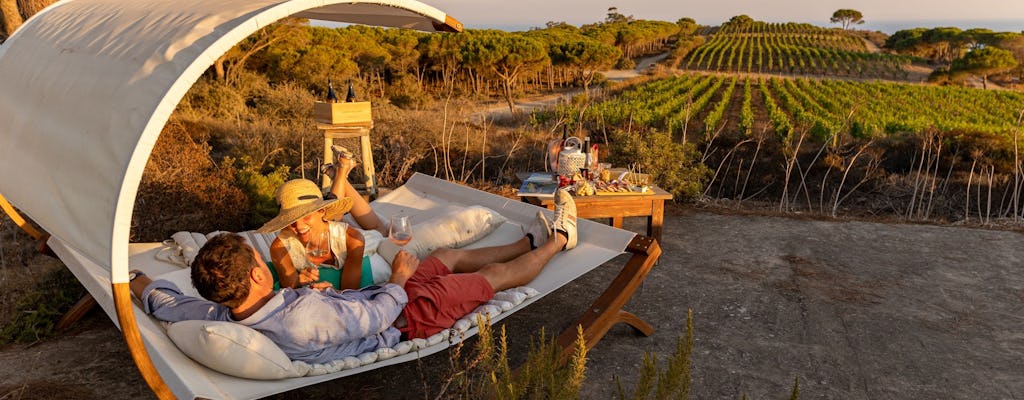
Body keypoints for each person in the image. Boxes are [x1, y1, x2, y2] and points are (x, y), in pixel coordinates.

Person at [129, 189, 579, 364]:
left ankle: (524, 243)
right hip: (407, 316)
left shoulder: (218, 309)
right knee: (493, 279)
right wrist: (400, 279)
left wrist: (134, 279)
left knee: (444, 253)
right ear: (258, 276)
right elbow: (376, 320)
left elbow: (163, 300)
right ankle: (560, 239)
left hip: (372, 296)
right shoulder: (300, 317)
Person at [258, 145, 385, 290]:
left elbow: (350, 293)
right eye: (291, 221)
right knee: (335, 218)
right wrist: (300, 283)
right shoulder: (280, 247)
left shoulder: (354, 240)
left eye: (305, 217)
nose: (298, 226)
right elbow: (291, 286)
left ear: (321, 210)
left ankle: (340, 173)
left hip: (368, 240)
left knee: (380, 230)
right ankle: (340, 173)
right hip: (328, 224)